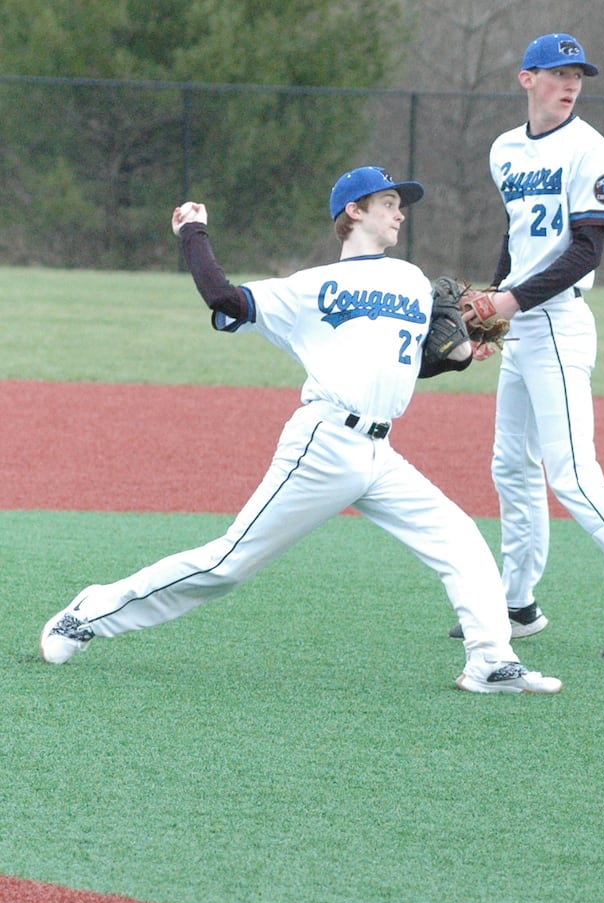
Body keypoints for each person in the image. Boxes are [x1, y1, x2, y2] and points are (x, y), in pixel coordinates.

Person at [39, 165, 562, 696]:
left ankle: (491, 661)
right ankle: (87, 614)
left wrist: (459, 356)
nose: (399, 212)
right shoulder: (309, 289)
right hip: (325, 442)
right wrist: (193, 232)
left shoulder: (410, 278)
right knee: (227, 564)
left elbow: (415, 362)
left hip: (380, 454)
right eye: (387, 203)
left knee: (460, 540)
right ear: (353, 212)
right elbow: (224, 300)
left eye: (399, 205)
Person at [449, 32, 604, 660]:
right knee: (510, 466)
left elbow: (586, 250)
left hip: (557, 322)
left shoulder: (590, 150)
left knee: (573, 473)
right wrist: (495, 312)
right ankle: (518, 604)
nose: (570, 81)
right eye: (558, 71)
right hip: (524, 323)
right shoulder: (505, 148)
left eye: (578, 73)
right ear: (527, 78)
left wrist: (512, 300)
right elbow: (517, 235)